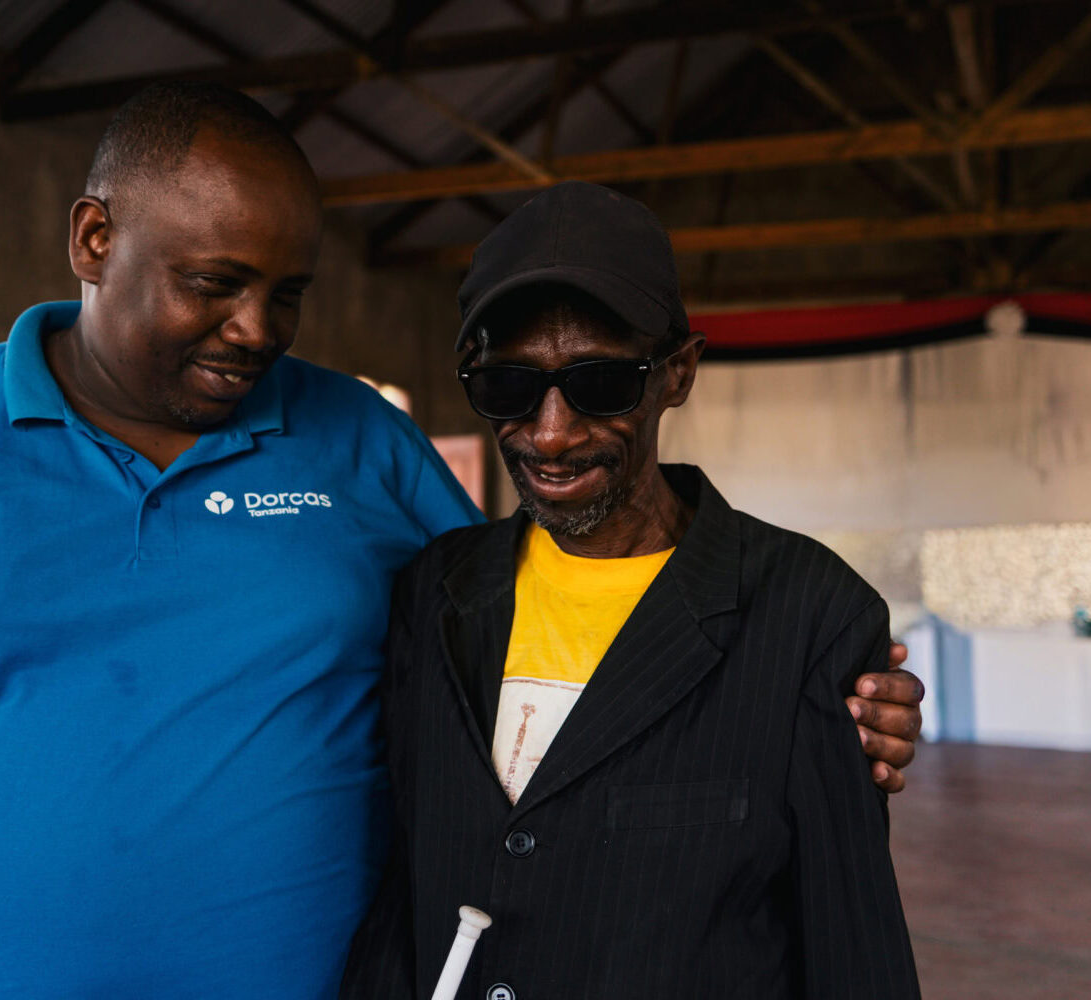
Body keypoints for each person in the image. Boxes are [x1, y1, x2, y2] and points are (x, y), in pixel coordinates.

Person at [0, 86, 921, 999]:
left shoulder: (357, 441)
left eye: (285, 293)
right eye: (213, 283)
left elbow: (544, 646)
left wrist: (805, 697)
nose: (254, 329)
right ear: (92, 241)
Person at [341, 182, 921, 998]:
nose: (550, 432)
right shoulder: (432, 594)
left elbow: (850, 945)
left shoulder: (810, 615)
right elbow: (403, 884)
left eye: (601, 383)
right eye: (508, 387)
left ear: (678, 372)